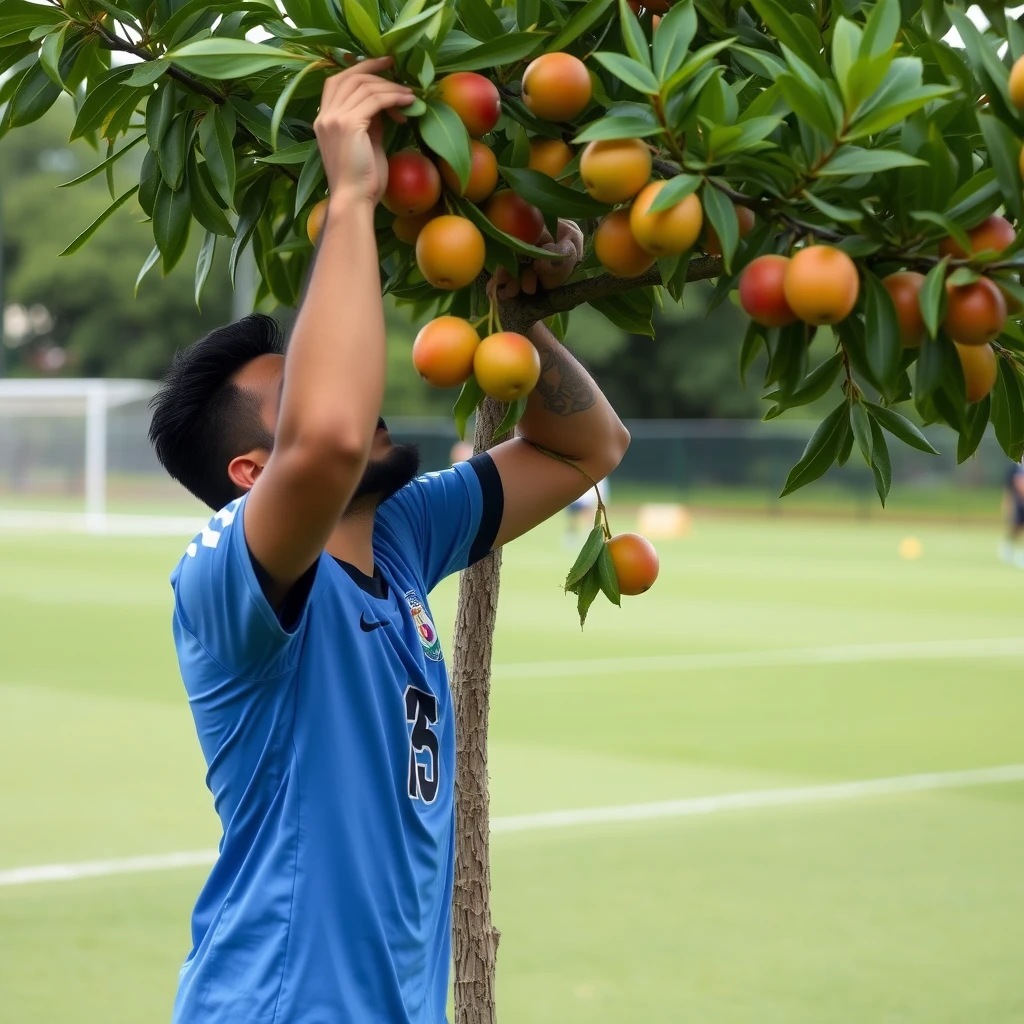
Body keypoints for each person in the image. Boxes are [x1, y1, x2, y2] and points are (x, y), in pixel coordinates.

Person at [147, 58, 629, 1024]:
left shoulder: (401, 534)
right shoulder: (228, 569)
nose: (350, 402)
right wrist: (355, 192)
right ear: (251, 477)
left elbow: (590, 446)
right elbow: (323, 443)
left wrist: (517, 318)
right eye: (302, 394)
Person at [1000, 457, 1024, 565]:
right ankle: (1007, 546)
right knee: (1015, 527)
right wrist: (1007, 504)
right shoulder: (1015, 467)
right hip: (1020, 504)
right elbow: (1009, 489)